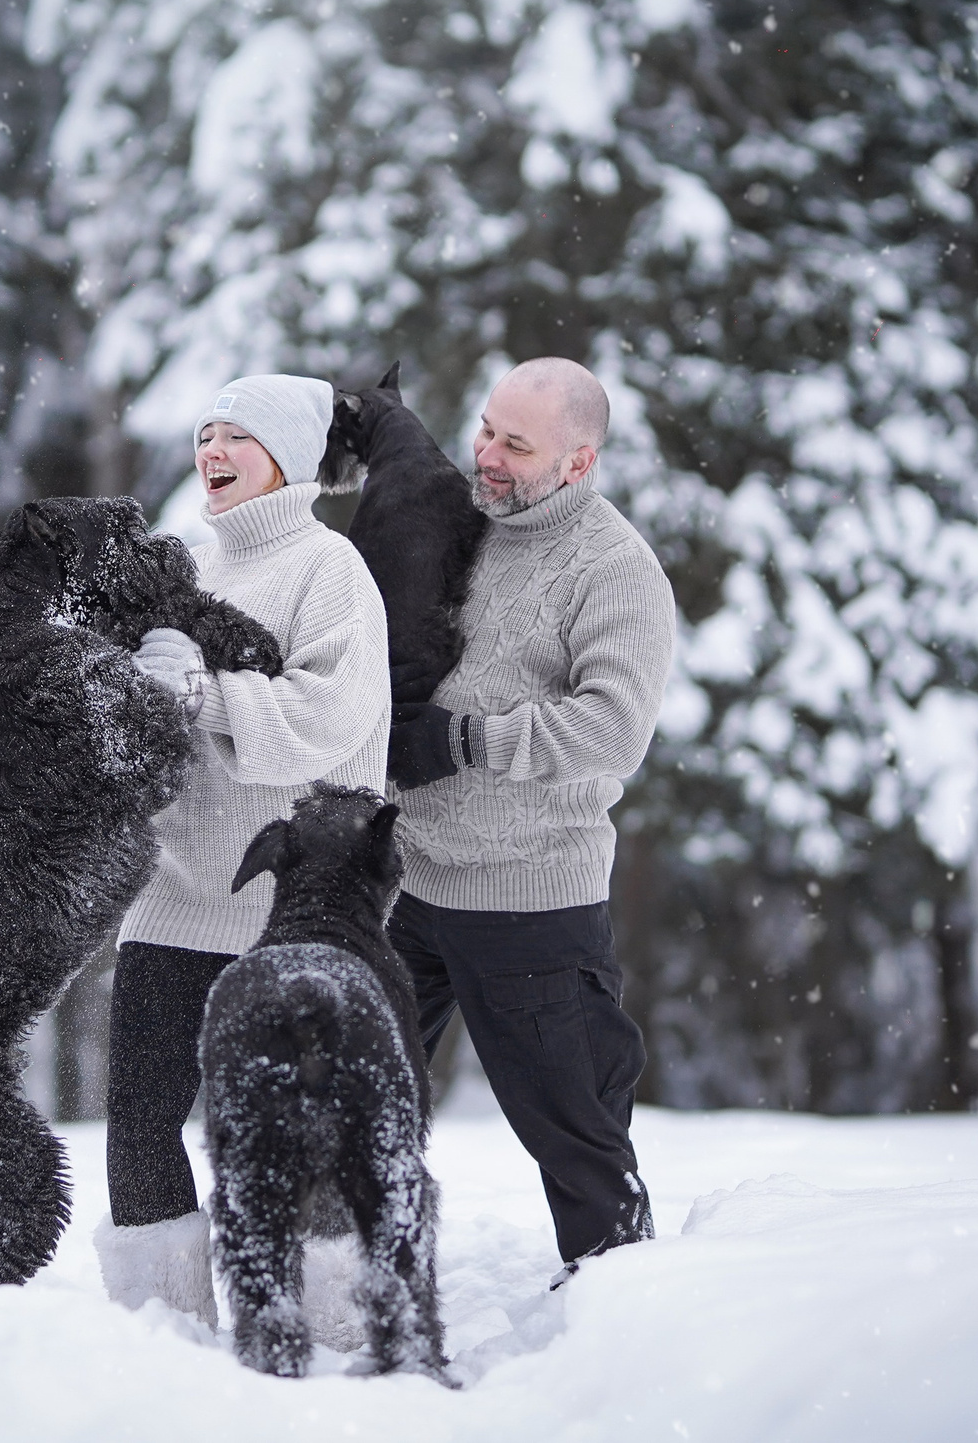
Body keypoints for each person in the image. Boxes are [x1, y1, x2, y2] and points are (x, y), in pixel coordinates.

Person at [94, 374, 391, 1327]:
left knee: (306, 1139)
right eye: (205, 434)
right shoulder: (184, 569)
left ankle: (332, 1329)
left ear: (290, 458)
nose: (211, 452)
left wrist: (200, 695)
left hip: (291, 910)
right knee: (139, 1125)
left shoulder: (330, 569)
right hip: (175, 893)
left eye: (237, 436)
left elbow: (322, 720)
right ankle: (166, 1328)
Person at [382, 357, 677, 1279]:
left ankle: (621, 1321)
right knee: (354, 1091)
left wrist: (467, 742)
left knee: (576, 1137)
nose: (489, 455)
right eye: (486, 428)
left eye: (517, 443)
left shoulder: (616, 570)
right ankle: (360, 1284)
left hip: (528, 897)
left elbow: (613, 728)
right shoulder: (461, 522)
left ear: (580, 463)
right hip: (408, 876)